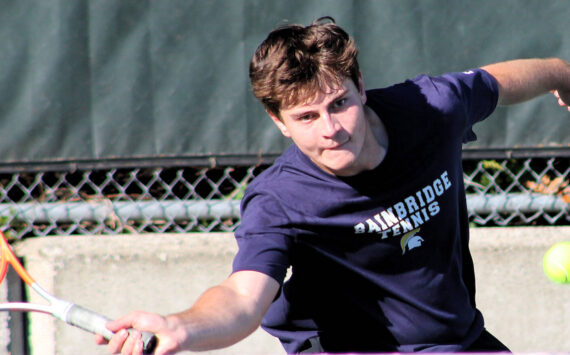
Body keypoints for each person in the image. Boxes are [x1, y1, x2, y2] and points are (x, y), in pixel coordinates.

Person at [96, 17, 570, 354]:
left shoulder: (430, 109)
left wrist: (561, 73)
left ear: (360, 86)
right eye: (305, 116)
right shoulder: (279, 200)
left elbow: (495, 82)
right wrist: (182, 326)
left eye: (339, 103)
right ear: (279, 122)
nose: (331, 128)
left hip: (453, 339)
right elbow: (243, 296)